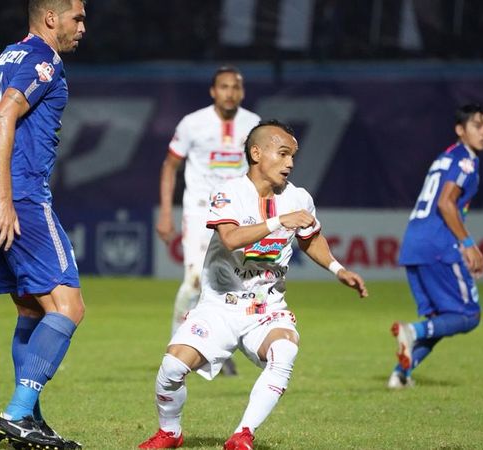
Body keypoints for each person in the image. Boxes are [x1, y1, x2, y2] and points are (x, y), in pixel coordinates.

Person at [138, 120, 369, 450]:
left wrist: (337, 268)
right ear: (257, 153)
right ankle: (170, 432)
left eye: (294, 156)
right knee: (172, 367)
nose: (290, 163)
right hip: (219, 306)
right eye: (284, 153)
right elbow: (230, 239)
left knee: (285, 349)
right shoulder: (227, 193)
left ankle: (242, 434)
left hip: (267, 310)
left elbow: (310, 238)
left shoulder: (299, 198)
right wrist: (278, 221)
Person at [0, 0, 87, 448]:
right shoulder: (44, 61)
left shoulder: (2, 58)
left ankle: (28, 420)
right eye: (78, 17)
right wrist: (7, 198)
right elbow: (1, 117)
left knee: (32, 308)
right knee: (69, 307)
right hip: (21, 200)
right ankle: (16, 413)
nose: (83, 27)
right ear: (51, 18)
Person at [156, 66, 260, 376]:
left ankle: (217, 348)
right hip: (201, 210)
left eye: (236, 87)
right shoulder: (193, 124)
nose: (230, 92)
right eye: (224, 87)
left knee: (236, 283)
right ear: (213, 91)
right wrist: (165, 213)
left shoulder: (253, 124)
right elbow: (169, 167)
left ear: (242, 92)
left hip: (239, 213)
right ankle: (177, 351)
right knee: (195, 281)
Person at [390, 103, 483, 389]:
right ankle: (413, 331)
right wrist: (468, 243)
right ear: (460, 130)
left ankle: (401, 374)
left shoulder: (444, 157)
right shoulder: (466, 161)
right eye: (477, 126)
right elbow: (446, 203)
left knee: (441, 318)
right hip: (439, 243)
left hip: (414, 242)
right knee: (468, 316)